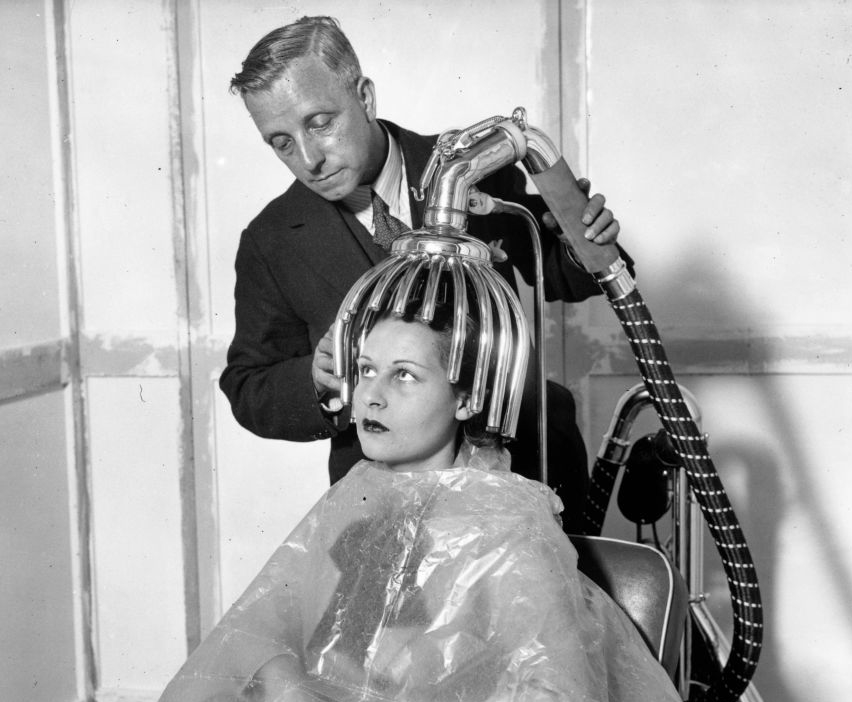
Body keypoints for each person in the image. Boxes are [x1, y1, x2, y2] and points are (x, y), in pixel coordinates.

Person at [103, 273, 697, 702]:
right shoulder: (360, 495)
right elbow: (260, 623)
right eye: (364, 370)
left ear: (465, 399)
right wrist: (286, 690)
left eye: (404, 375)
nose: (371, 396)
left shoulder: (504, 525)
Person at [218, 15, 630, 529]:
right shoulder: (271, 240)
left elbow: (571, 275)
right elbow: (247, 384)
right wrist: (316, 380)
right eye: (281, 142)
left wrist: (583, 238)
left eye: (320, 122)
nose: (308, 159)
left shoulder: (477, 167)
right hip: (383, 509)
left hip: (527, 475)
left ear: (365, 97)